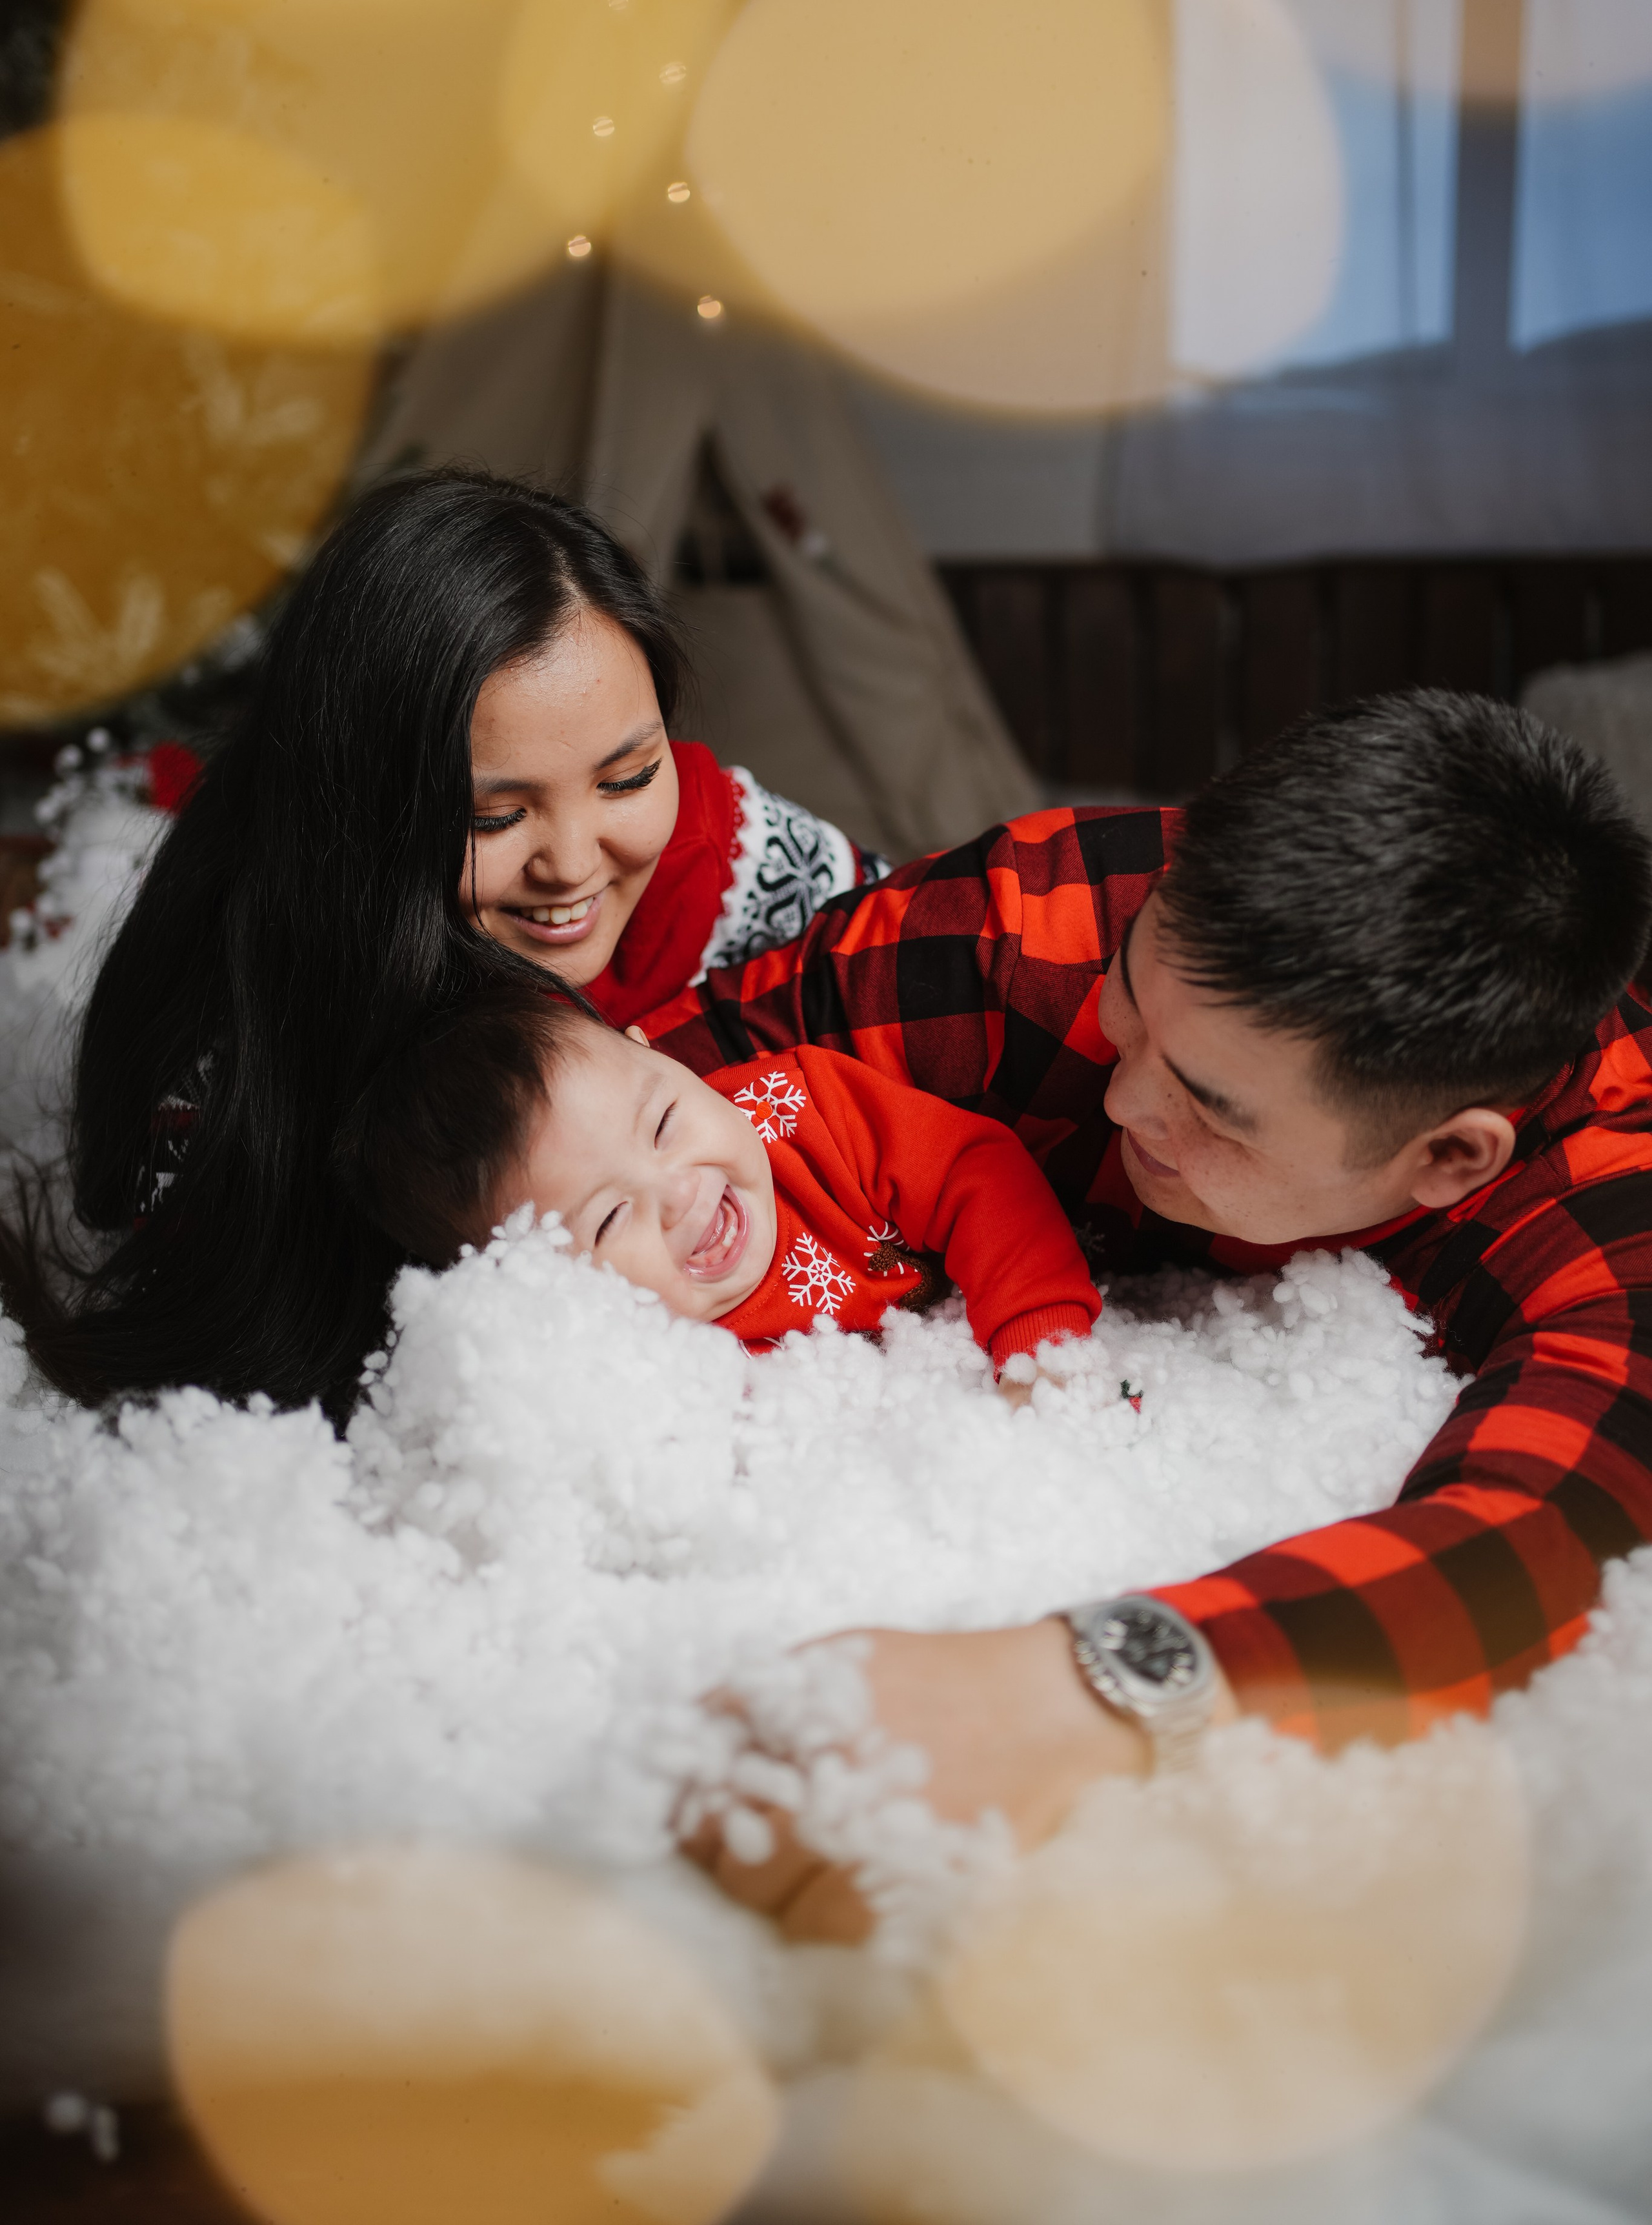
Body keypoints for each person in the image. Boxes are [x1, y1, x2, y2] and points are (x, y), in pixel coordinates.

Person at [638, 691, 1652, 1938]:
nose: (1123, 1100)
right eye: (1131, 1000)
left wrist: (1083, 1697)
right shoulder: (1050, 914)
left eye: (1213, 1109)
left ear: (1449, 1160)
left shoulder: (1612, 1201)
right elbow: (639, 1091)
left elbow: (1535, 1534)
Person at [2, 471, 881, 1415]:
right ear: (364, 814)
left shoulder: (722, 849)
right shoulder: (238, 1036)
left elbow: (936, 970)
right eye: (496, 816)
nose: (576, 865)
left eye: (627, 777)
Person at [334, 982, 1100, 1376]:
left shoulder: (803, 1110)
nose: (677, 1192)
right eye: (606, 1220)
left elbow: (980, 1178)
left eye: (664, 1123)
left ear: (662, 1055)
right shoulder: (638, 1358)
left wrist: (1042, 1350)